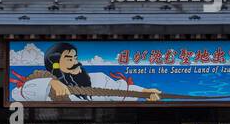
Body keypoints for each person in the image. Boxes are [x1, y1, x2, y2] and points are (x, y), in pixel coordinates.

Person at [11, 43, 162, 103]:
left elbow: (120, 91)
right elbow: (19, 92)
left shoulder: (97, 79)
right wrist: (52, 82)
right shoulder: (40, 83)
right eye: (69, 58)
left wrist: (144, 92)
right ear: (55, 63)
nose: (75, 62)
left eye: (75, 58)